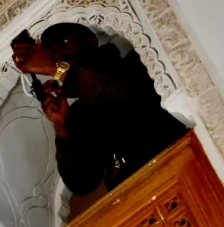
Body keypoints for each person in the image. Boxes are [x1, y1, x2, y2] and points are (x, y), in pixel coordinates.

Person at [11, 22, 188, 197]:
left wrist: (56, 69)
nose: (56, 54)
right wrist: (61, 126)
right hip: (138, 193)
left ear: (90, 41)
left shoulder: (136, 62)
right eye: (51, 51)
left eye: (62, 43)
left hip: (181, 165)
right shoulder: (80, 113)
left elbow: (129, 100)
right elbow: (82, 183)